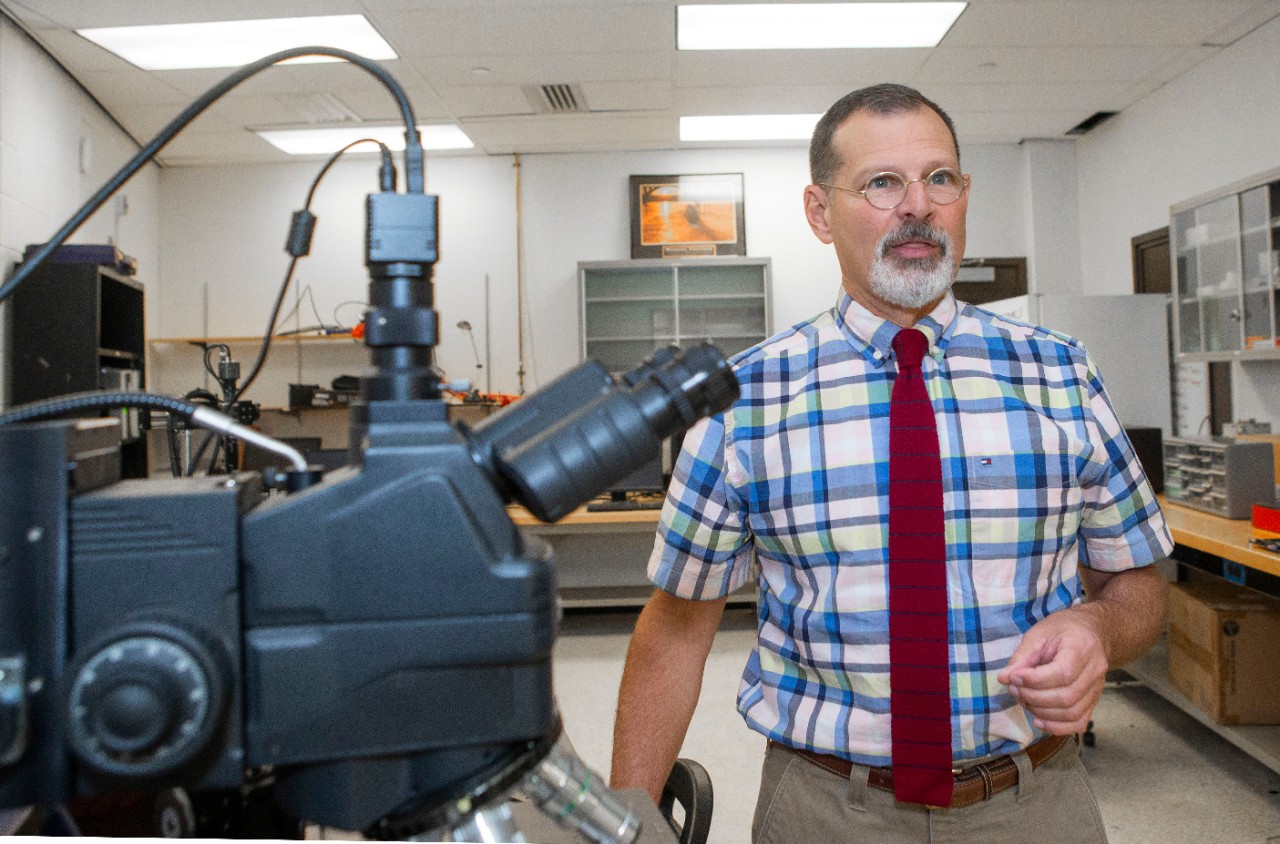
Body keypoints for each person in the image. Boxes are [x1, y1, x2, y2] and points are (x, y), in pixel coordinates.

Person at [609, 83, 1173, 843]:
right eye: (882, 182)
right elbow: (676, 628)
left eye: (939, 179)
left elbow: (1135, 583)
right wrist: (625, 820)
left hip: (1038, 803)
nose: (918, 206)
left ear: (964, 196)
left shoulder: (1060, 373)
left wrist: (1097, 628)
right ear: (819, 211)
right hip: (826, 811)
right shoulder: (745, 399)